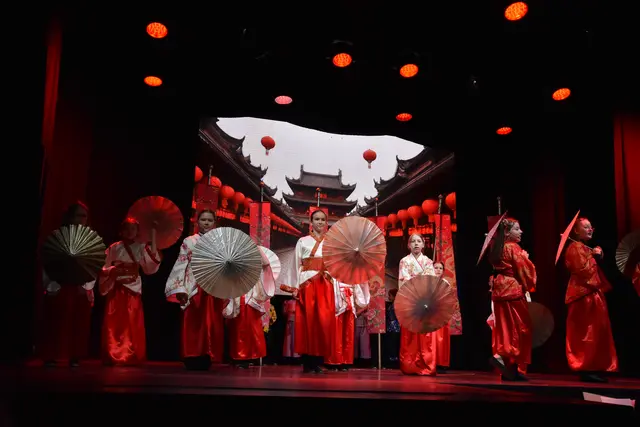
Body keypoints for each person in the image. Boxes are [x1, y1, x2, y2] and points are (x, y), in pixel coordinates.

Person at [165, 209, 225, 370]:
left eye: (210, 220)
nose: (206, 223)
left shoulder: (221, 241)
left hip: (213, 285)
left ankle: (208, 355)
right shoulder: (189, 241)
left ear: (215, 223)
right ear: (197, 222)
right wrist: (180, 287)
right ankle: (191, 355)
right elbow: (181, 264)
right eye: (203, 220)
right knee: (193, 322)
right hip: (193, 284)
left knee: (211, 322)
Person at [99, 217, 161, 365]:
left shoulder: (141, 247)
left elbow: (150, 265)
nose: (130, 231)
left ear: (137, 231)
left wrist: (153, 236)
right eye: (127, 228)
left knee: (132, 320)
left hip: (133, 287)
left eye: (133, 228)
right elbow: (103, 266)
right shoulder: (114, 247)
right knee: (115, 320)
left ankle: (132, 352)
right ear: (121, 231)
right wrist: (112, 270)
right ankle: (113, 352)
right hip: (117, 286)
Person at [41, 202, 95, 367]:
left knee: (77, 323)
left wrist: (88, 287)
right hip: (61, 285)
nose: (82, 219)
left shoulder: (89, 238)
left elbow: (94, 264)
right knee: (57, 321)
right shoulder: (58, 236)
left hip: (79, 287)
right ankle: (52, 355)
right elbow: (48, 262)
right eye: (79, 215)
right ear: (70, 217)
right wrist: (51, 285)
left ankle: (74, 356)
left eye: (85, 216)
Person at [564, 217, 618, 382]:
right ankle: (585, 367)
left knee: (597, 332)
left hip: (593, 294)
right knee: (587, 332)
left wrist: (595, 255)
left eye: (591, 227)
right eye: (585, 227)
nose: (590, 229)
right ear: (576, 231)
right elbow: (584, 272)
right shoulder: (574, 248)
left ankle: (595, 366)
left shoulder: (584, 248)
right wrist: (593, 256)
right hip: (583, 296)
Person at [290, 209, 339, 374]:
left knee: (323, 322)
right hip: (307, 284)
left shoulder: (331, 243)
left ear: (326, 223)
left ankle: (318, 361)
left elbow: (335, 266)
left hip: (324, 283)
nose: (320, 222)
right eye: (316, 219)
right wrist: (294, 287)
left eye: (322, 220)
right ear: (311, 222)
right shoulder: (302, 241)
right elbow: (296, 264)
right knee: (307, 322)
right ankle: (307, 361)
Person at [487, 218, 536, 381]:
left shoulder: (498, 248)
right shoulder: (513, 247)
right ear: (507, 232)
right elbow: (524, 270)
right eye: (516, 229)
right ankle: (502, 357)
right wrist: (526, 258)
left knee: (505, 329)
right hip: (512, 290)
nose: (520, 232)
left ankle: (510, 369)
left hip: (500, 290)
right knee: (518, 328)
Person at [223, 247, 276, 368]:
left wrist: (256, 248)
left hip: (251, 295)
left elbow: (266, 263)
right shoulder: (232, 256)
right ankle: (239, 357)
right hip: (237, 293)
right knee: (237, 328)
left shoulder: (254, 256)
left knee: (252, 327)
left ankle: (250, 355)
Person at [398, 233, 438, 376]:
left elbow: (430, 281)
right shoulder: (404, 261)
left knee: (425, 334)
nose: (416, 244)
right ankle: (410, 364)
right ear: (409, 245)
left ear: (423, 245)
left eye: (419, 241)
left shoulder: (428, 261)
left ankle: (426, 363)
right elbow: (404, 281)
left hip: (424, 301)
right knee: (410, 334)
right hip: (410, 300)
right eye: (413, 241)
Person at [325, 281, 370, 371]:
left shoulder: (351, 276)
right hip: (337, 305)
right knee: (336, 335)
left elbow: (357, 289)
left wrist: (361, 300)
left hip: (349, 305)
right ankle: (334, 361)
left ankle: (346, 361)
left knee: (348, 335)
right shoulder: (333, 276)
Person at [433, 261, 450, 372]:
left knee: (442, 339)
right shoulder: (428, 281)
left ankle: (442, 363)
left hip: (442, 313)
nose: (438, 270)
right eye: (436, 268)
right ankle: (432, 361)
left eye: (440, 268)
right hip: (431, 313)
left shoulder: (445, 282)